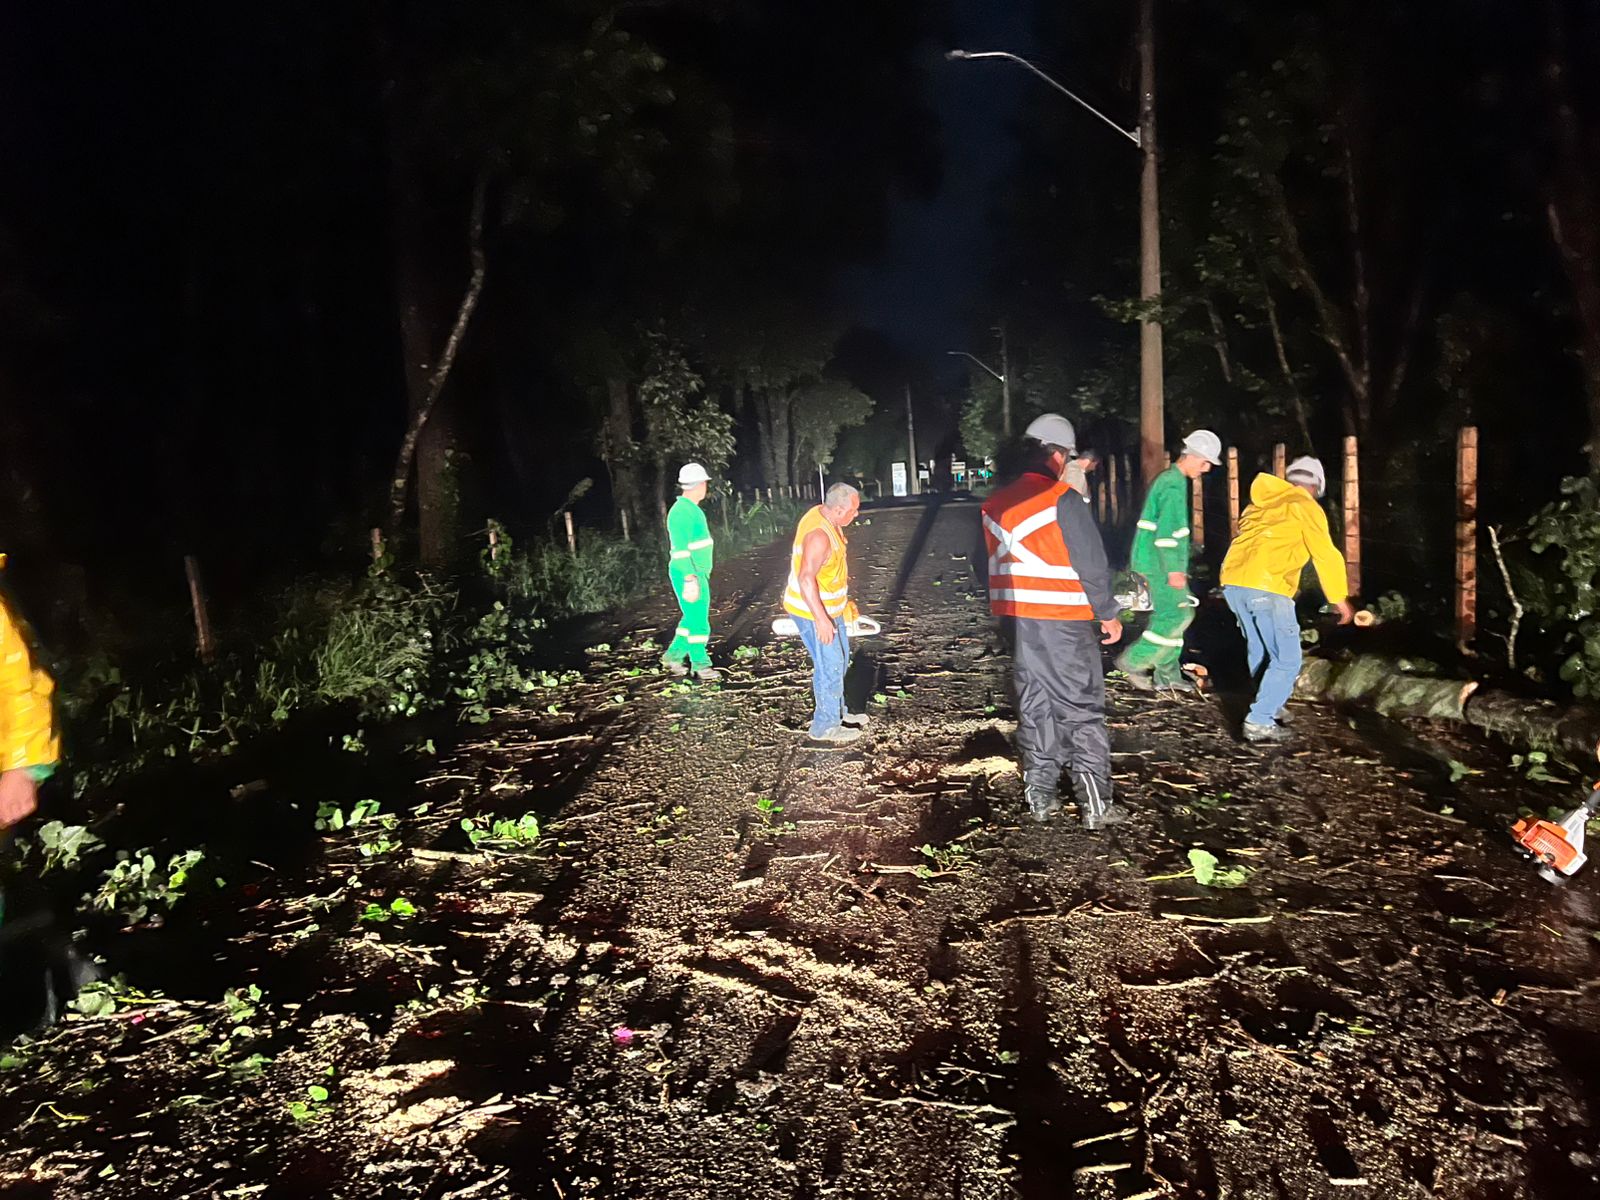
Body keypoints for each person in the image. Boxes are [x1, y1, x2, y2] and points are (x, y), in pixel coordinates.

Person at [982, 414, 1126, 828]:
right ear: (1058, 455)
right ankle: (1096, 805)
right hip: (1063, 620)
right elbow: (1091, 563)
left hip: (1018, 621)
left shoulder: (995, 503)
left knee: (1036, 705)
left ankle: (1040, 797)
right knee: (1081, 709)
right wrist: (1109, 613)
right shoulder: (1061, 498)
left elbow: (985, 563)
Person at [1220, 455, 1355, 742]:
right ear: (1316, 486)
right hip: (1268, 587)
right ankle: (1259, 720)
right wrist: (1339, 598)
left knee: (1261, 649)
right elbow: (1326, 555)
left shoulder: (1262, 503)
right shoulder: (1305, 506)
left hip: (1234, 584)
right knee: (1288, 659)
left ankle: (1269, 702)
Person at [1119, 430, 1221, 692]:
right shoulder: (1173, 484)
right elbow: (1167, 535)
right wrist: (1175, 571)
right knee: (1177, 613)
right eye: (1205, 462)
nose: (1206, 468)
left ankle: (1168, 676)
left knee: (1177, 614)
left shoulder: (1170, 480)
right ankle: (1134, 661)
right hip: (1158, 565)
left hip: (1153, 562)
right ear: (1194, 456)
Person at [783, 483, 867, 744]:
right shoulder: (819, 535)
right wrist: (821, 619)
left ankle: (838, 713)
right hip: (811, 610)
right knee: (829, 664)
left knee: (840, 660)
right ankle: (825, 726)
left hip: (832, 607)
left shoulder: (824, 515)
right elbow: (806, 578)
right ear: (839, 509)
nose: (856, 514)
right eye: (853, 510)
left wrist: (843, 603)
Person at [662, 463, 719, 682]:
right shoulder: (682, 513)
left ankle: (673, 656)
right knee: (699, 622)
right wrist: (690, 579)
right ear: (700, 484)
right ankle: (701, 664)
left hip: (696, 573)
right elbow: (680, 550)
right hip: (690, 574)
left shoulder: (689, 509)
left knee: (691, 618)